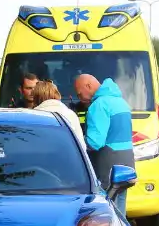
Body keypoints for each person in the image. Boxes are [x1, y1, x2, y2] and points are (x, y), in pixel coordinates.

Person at [74, 74, 134, 217]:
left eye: (79, 93)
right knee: (120, 210)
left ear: (88, 86)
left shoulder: (99, 105)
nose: (79, 97)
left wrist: (75, 144)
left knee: (106, 212)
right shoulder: (120, 102)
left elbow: (95, 142)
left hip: (108, 165)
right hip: (126, 164)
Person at [32, 80, 86, 151]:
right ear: (57, 94)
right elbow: (81, 147)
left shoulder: (33, 116)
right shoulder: (70, 114)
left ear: (36, 97)